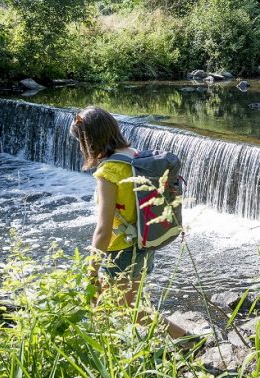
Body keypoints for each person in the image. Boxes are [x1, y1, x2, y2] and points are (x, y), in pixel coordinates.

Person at [69, 106, 187, 339]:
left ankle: (187, 339)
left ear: (88, 140)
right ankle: (109, 346)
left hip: (121, 250)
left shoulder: (109, 172)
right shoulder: (134, 156)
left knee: (131, 309)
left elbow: (103, 229)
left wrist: (91, 270)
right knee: (104, 299)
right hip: (143, 240)